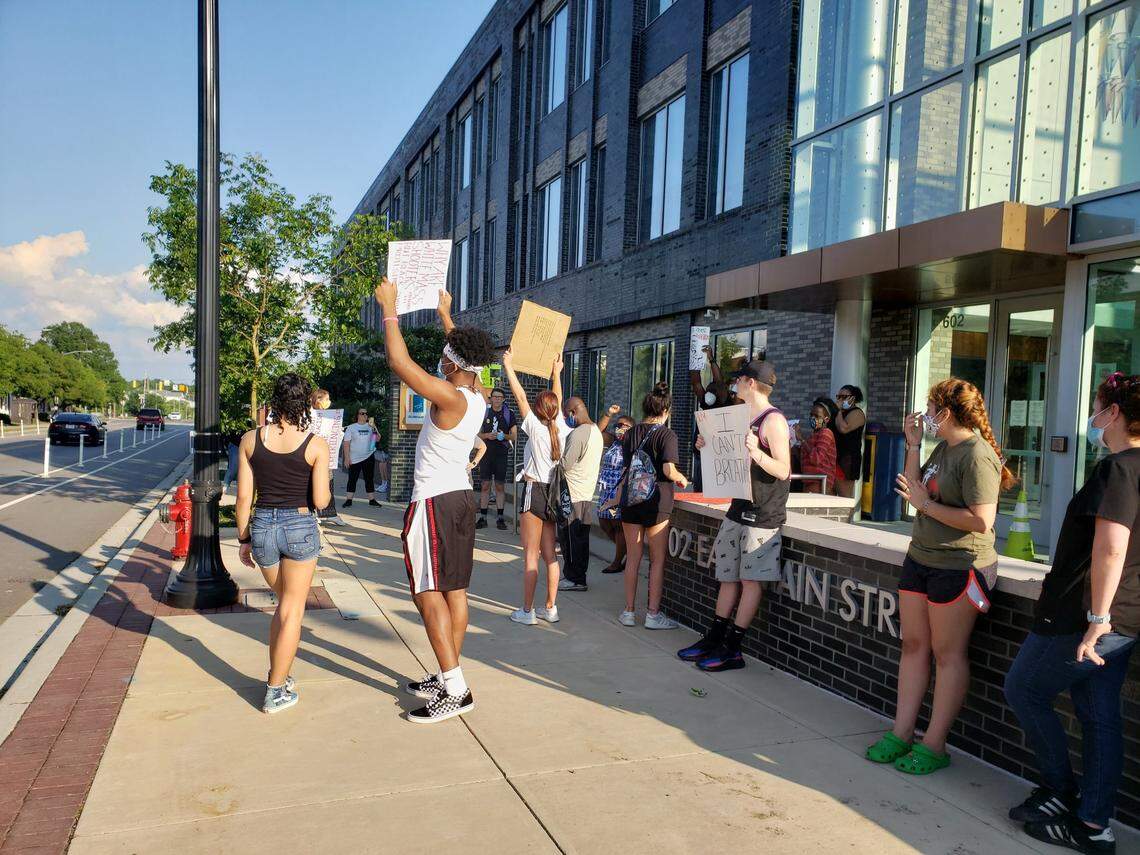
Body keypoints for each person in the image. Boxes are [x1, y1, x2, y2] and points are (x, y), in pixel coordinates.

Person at [1003, 372, 1140, 853]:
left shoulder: (1119, 469)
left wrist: (1096, 623)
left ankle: (1062, 792)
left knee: (1023, 687)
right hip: (1125, 617)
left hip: (1087, 618)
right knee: (1099, 715)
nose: (1093, 417)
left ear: (1114, 413)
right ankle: (1094, 824)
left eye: (1099, 406)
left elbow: (1110, 549)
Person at [864, 377, 1012, 774]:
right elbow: (915, 492)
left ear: (946, 412)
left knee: (948, 655)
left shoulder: (976, 455)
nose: (926, 414)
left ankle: (934, 744)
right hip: (921, 558)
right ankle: (902, 732)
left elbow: (982, 521)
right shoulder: (944, 448)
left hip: (959, 565)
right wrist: (913, 445)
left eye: (931, 408)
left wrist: (925, 505)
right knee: (913, 645)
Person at [376, 281, 494, 724]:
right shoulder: (479, 393)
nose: (441, 356)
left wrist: (390, 310)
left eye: (446, 353)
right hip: (460, 498)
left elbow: (399, 361)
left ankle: (456, 689)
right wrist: (447, 315)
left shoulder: (449, 396)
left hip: (434, 503)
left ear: (452, 364)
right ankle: (449, 675)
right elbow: (466, 351)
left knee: (427, 592)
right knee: (455, 591)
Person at [678, 361, 791, 671]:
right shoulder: (740, 415)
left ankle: (733, 647)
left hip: (763, 514)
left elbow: (784, 470)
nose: (734, 384)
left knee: (749, 580)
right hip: (737, 507)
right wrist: (707, 447)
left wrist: (757, 452)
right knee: (727, 576)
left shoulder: (773, 421)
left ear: (750, 383)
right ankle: (713, 638)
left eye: (739, 379)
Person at [235, 373, 331, 714]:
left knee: (283, 606)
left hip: (262, 527)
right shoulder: (316, 443)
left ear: (274, 402)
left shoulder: (250, 440)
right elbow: (321, 500)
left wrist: (244, 538)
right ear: (306, 403)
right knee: (292, 610)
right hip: (300, 525)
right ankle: (275, 691)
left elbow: (244, 497)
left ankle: (279, 675)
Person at [502, 350, 569, 625]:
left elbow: (519, 396)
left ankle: (527, 610)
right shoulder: (561, 427)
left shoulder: (535, 427)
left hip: (534, 491)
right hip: (553, 493)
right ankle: (550, 608)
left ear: (538, 409)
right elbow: (559, 400)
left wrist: (508, 366)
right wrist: (557, 373)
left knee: (530, 555)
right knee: (550, 555)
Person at [617, 382, 689, 629]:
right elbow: (668, 470)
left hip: (631, 499)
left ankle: (628, 612)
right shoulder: (667, 435)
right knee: (657, 560)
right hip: (657, 502)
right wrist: (682, 478)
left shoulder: (630, 433)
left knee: (633, 558)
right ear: (666, 411)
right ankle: (652, 614)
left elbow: (627, 468)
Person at [556, 397, 605, 592]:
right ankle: (579, 576)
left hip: (572, 494)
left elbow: (565, 465)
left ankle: (573, 578)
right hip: (586, 494)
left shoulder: (578, 434)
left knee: (569, 539)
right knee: (581, 539)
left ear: (571, 413)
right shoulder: (595, 432)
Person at [688, 344, 731, 493]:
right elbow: (696, 383)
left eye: (714, 387)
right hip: (701, 453)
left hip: (718, 454)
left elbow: (718, 380)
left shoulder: (725, 402)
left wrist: (711, 359)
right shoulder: (706, 402)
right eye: (710, 387)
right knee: (700, 490)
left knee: (717, 489)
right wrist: (696, 360)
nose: (710, 388)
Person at [476, 387, 517, 531]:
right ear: (491, 398)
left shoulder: (509, 413)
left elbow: (514, 436)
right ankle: (483, 517)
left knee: (499, 486)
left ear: (504, 399)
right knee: (485, 485)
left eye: (500, 397)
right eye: (495, 397)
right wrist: (487, 436)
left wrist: (503, 436)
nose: (497, 399)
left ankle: (500, 518)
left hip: (501, 453)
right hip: (486, 453)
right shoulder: (484, 412)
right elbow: (477, 433)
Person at [596, 407, 631, 574]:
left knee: (618, 526)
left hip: (619, 489)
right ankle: (626, 551)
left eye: (624, 426)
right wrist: (608, 414)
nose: (620, 428)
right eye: (618, 425)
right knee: (604, 522)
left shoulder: (632, 444)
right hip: (605, 488)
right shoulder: (613, 441)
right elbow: (597, 432)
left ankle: (617, 562)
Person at [310, 389, 346, 527]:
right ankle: (314, 512)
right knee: (312, 484)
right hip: (312, 455)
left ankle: (329, 513)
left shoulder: (330, 416)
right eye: (326, 399)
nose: (328, 402)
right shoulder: (309, 415)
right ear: (318, 400)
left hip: (326, 456)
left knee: (328, 483)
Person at [798, 397, 840, 494]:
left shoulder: (826, 433)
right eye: (811, 415)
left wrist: (802, 439)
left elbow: (817, 458)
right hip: (809, 481)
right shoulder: (813, 435)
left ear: (827, 419)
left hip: (820, 483)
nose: (813, 418)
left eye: (817, 416)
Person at [341, 408, 380, 509]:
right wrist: (346, 458)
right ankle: (349, 500)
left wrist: (374, 428)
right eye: (362, 413)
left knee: (369, 478)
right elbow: (346, 444)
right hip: (354, 458)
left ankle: (372, 500)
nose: (365, 415)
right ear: (357, 415)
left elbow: (377, 439)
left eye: (366, 414)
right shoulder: (351, 427)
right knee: (352, 479)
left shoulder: (370, 426)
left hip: (368, 456)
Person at [833, 384, 867, 499]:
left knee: (845, 495)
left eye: (844, 397)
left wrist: (838, 411)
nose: (840, 400)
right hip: (835, 455)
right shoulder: (839, 413)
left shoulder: (857, 413)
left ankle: (848, 517)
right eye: (838, 397)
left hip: (848, 458)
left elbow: (843, 428)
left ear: (853, 398)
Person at [367, 416, 390, 495]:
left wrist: (374, 428)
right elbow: (376, 438)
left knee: (384, 465)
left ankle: (386, 484)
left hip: (387, 447)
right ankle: (383, 483)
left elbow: (379, 437)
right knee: (381, 464)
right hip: (382, 447)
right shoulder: (380, 426)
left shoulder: (386, 425)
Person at [221, 426, 245, 495]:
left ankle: (240, 492)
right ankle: (224, 488)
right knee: (233, 468)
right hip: (235, 444)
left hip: (242, 444)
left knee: (241, 470)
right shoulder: (233, 420)